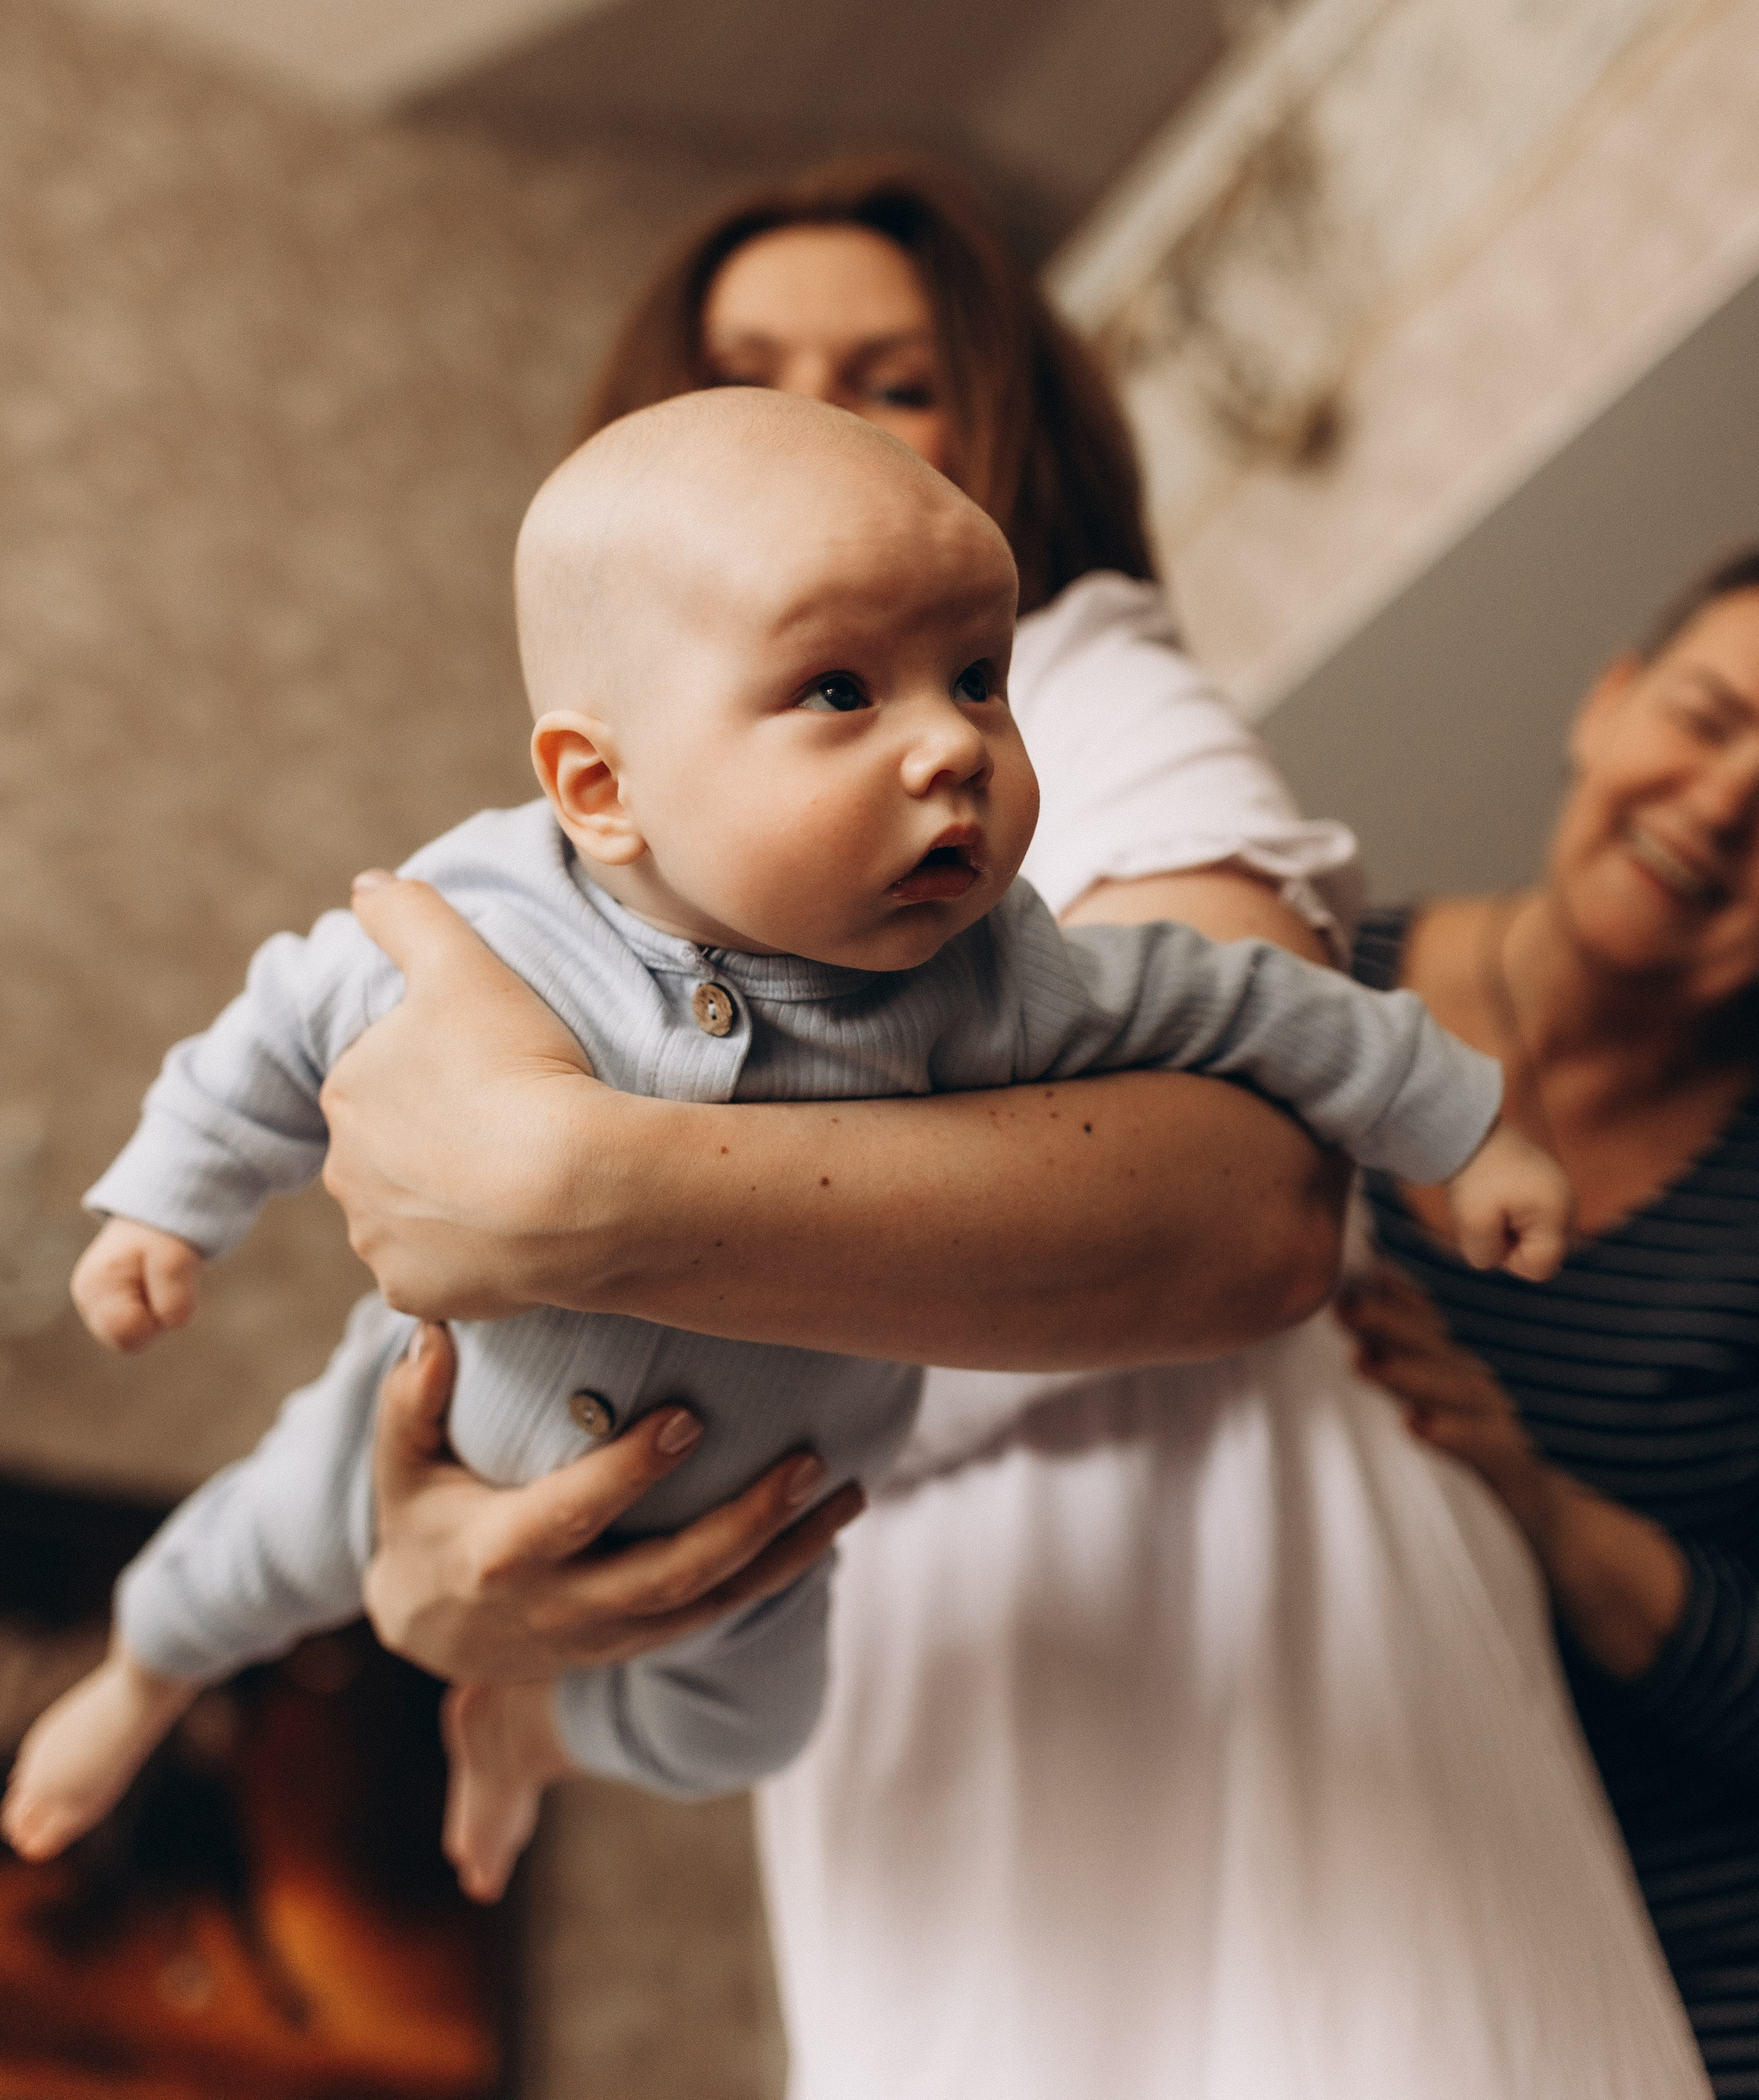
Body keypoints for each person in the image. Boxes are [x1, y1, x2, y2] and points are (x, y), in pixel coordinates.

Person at [316, 157, 1710, 2097]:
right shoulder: (596, 888)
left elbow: (1244, 1216)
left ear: (995, 444)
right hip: (917, 1690)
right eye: (751, 374)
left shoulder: (1080, 700)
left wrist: (585, 1190)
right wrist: (458, 1574)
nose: (811, 417)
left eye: (887, 381)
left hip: (1226, 1611)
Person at [3, 386, 1542, 1907]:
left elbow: (1261, 1008)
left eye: (980, 679)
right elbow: (282, 1022)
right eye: (839, 693)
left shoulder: (1004, 983)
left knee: (750, 1724)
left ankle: (541, 1731)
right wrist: (164, 1209)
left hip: (761, 1528)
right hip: (421, 1414)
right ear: (600, 789)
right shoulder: (483, 914)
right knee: (255, 1551)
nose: (951, 748)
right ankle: (134, 1684)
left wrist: (1453, 1125)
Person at [1345, 546, 1759, 2100]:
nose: (1722, 803)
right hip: (1357, 1907)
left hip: (1692, 1956)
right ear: (1605, 705)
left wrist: (1535, 1506)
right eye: (1705, 717)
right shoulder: (1300, 992)